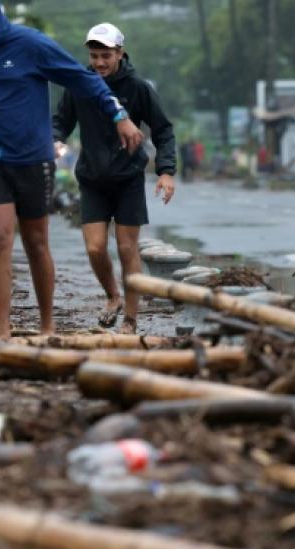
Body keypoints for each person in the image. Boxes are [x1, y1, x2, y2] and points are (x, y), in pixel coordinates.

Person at [0, 0, 144, 339]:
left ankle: (47, 326)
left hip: (32, 159)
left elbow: (81, 79)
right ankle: (3, 332)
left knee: (35, 242)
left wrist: (118, 114)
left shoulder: (31, 44)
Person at [52, 23, 176, 335]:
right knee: (95, 248)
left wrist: (166, 171)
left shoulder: (138, 87)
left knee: (126, 248)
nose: (99, 63)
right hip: (92, 178)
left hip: (128, 178)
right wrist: (55, 140)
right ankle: (113, 296)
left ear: (120, 53)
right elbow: (61, 121)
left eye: (106, 56)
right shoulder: (79, 85)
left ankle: (131, 319)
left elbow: (163, 130)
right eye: (94, 56)